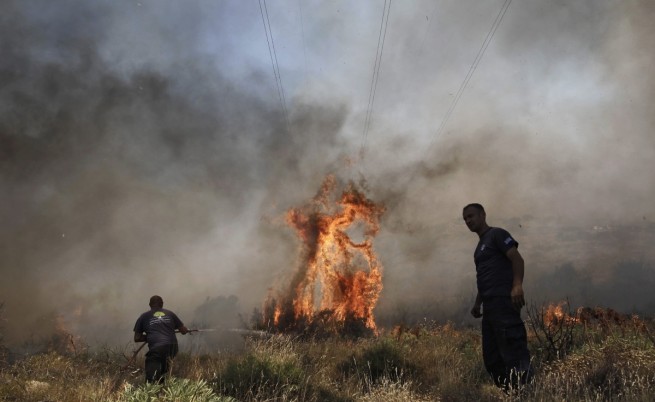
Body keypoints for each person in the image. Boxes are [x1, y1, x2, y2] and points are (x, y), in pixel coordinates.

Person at [463, 203, 532, 390]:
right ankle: (512, 393)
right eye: (465, 219)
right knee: (492, 359)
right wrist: (478, 303)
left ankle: (527, 393)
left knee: (514, 352)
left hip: (504, 302)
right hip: (490, 308)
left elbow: (517, 259)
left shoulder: (497, 235)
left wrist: (517, 285)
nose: (468, 221)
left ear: (483, 215)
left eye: (471, 216)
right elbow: (485, 278)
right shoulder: (479, 248)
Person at [134, 295, 189, 383]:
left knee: (151, 377)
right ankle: (162, 388)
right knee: (163, 371)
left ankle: (152, 390)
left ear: (150, 305)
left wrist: (150, 337)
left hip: (157, 348)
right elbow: (182, 330)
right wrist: (185, 330)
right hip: (172, 347)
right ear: (162, 304)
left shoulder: (143, 317)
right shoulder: (170, 313)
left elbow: (137, 338)